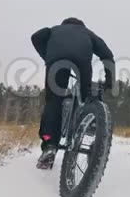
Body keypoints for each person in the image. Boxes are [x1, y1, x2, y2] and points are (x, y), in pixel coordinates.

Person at [30, 17, 115, 169]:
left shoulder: (54, 30)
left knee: (53, 101)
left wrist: (47, 55)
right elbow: (107, 55)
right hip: (82, 62)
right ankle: (82, 129)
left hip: (56, 62)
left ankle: (50, 144)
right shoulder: (87, 33)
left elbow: (36, 37)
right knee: (85, 98)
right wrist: (110, 81)